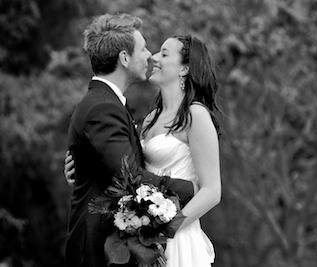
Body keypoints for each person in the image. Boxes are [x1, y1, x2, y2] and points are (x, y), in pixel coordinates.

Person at [65, 34, 222, 266]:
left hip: (177, 235)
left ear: (185, 69)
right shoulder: (149, 119)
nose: (154, 57)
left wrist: (167, 230)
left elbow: (211, 191)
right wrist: (86, 171)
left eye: (164, 54)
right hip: (144, 240)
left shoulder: (195, 115)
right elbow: (127, 171)